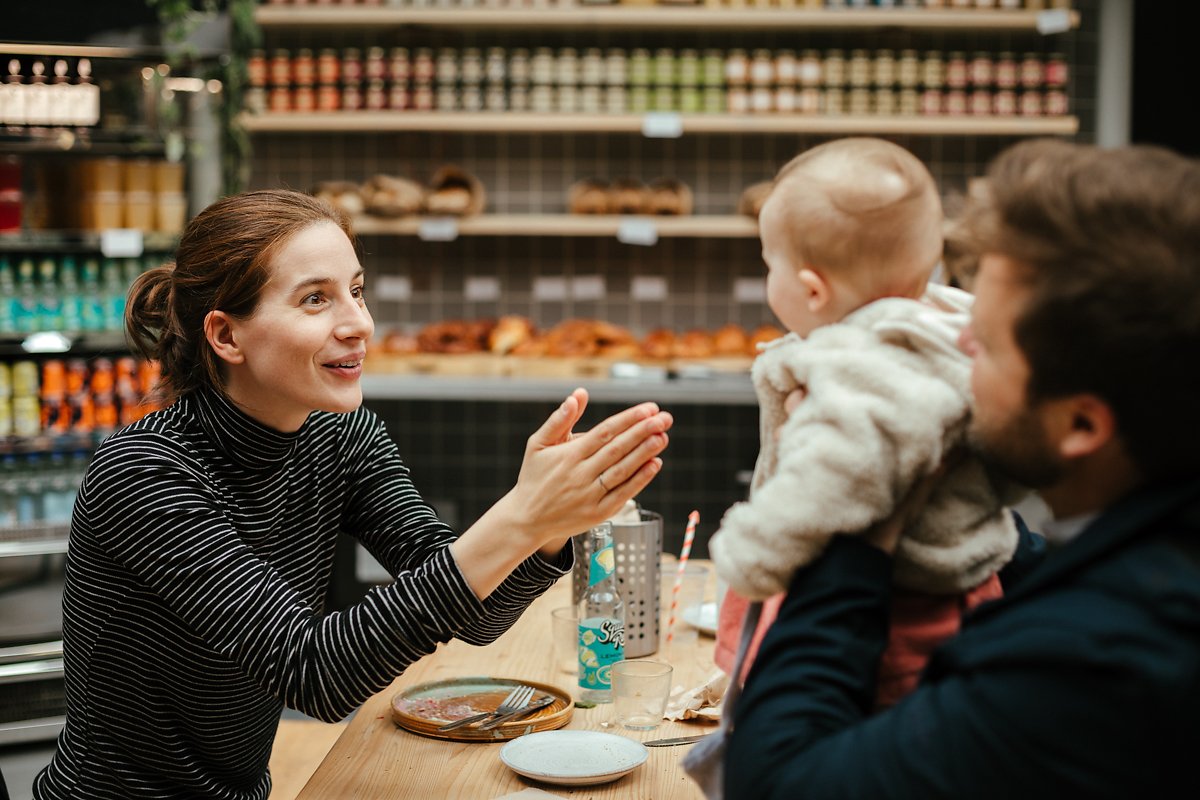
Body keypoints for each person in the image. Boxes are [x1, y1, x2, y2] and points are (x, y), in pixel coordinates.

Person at [32, 189, 673, 799]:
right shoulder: (144, 475)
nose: (359, 324)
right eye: (316, 300)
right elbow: (318, 673)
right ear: (226, 336)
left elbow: (476, 616)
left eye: (356, 291)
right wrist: (518, 517)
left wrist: (545, 528)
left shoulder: (340, 433)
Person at [724, 139, 1200, 798]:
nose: (960, 342)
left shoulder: (1091, 665)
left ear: (1081, 425)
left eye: (992, 344)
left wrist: (856, 535)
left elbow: (779, 784)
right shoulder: (1143, 544)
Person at [709, 138, 1023, 707]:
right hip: (953, 591)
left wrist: (750, 554)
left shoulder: (866, 369)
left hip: (899, 618)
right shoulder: (945, 329)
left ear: (811, 289)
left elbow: (832, 481)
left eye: (767, 264)